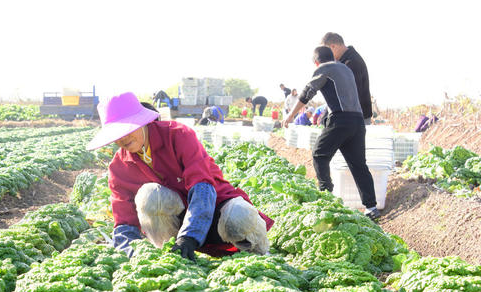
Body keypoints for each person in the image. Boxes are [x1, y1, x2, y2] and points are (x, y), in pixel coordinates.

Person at [86, 92, 274, 260]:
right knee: (149, 195)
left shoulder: (177, 135)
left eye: (127, 129)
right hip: (175, 224)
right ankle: (172, 259)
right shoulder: (119, 167)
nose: (123, 138)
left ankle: (260, 255)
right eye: (115, 134)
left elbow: (202, 186)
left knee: (239, 215)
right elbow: (125, 223)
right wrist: (132, 258)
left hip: (217, 211)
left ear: (141, 121)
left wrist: (190, 235)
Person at [283, 46, 380, 221]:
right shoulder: (345, 70)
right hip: (357, 122)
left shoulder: (323, 69)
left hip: (341, 120)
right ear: (333, 57)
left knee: (319, 154)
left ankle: (326, 198)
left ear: (316, 62)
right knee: (358, 164)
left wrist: (290, 116)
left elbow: (307, 93)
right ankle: (371, 207)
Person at [321, 32, 372, 125]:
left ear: (333, 47)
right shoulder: (343, 62)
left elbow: (348, 95)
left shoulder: (351, 63)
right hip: (351, 116)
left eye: (327, 52)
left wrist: (326, 117)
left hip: (356, 118)